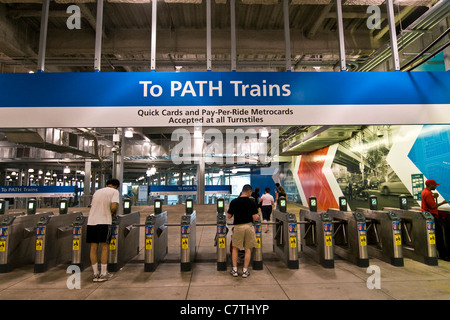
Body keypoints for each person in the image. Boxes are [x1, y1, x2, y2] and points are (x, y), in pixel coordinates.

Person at [87, 178, 121, 282]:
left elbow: (92, 205)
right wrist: (113, 214)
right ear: (116, 186)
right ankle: (103, 273)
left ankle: (95, 274)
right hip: (104, 221)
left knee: (93, 247)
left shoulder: (97, 192)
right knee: (105, 246)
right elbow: (114, 207)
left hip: (91, 221)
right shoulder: (115, 191)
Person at [227, 184, 259, 278]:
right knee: (247, 249)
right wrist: (257, 216)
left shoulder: (234, 201)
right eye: (251, 193)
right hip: (248, 227)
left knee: (235, 248)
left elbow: (229, 216)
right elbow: (255, 217)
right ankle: (245, 271)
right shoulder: (251, 202)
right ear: (249, 191)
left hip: (238, 227)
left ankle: (235, 270)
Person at [421, 179, 450, 261]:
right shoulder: (427, 193)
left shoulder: (425, 192)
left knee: (435, 236)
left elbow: (428, 198)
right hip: (432, 216)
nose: (436, 186)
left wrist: (433, 195)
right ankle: (443, 255)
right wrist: (443, 203)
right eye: (434, 185)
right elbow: (432, 206)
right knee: (439, 236)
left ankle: (437, 253)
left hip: (428, 216)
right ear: (430, 185)